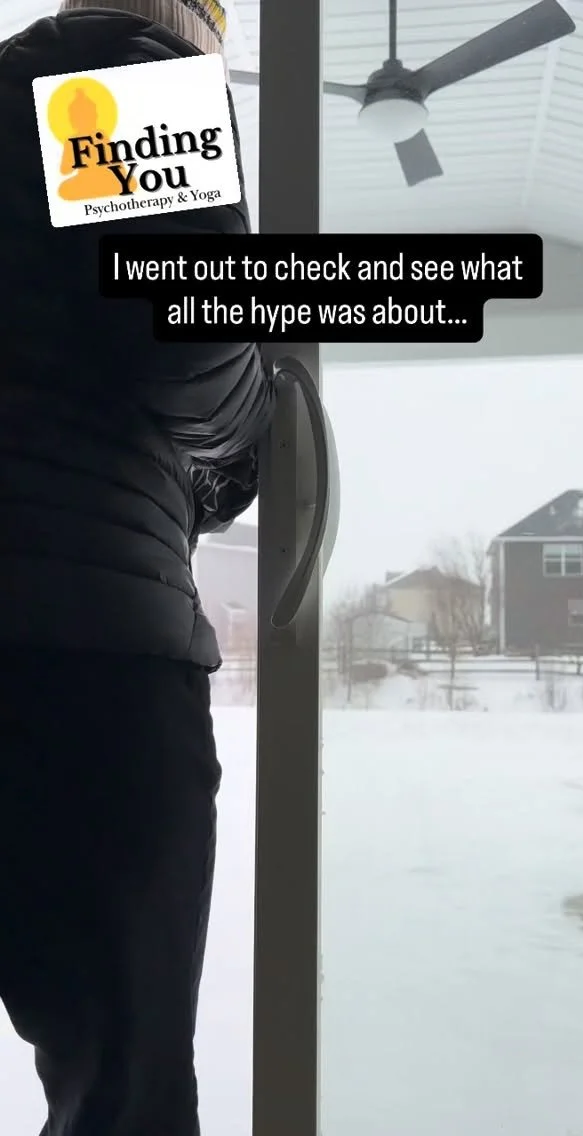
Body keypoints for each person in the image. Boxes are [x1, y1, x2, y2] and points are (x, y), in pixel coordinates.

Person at [0, 3, 274, 1134]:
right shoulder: (122, 75)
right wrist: (258, 420)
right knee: (122, 1086)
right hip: (78, 658)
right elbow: (189, 342)